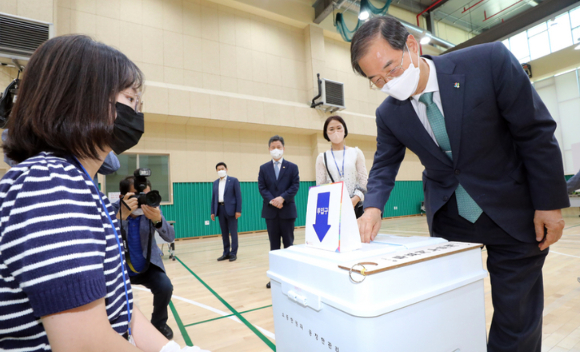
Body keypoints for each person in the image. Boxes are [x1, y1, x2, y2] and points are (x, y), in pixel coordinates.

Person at [350, 16, 568, 352]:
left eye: (391, 69)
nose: (388, 83)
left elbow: (534, 131)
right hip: (451, 219)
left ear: (411, 45)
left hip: (513, 212)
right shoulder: (389, 114)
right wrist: (374, 205)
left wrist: (549, 203)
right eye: (376, 80)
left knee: (517, 318)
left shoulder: (488, 62)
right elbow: (384, 163)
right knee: (450, 315)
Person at [0, 35, 208, 352]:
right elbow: (84, 343)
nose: (137, 112)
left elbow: (120, 306)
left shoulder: (78, 182)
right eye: (130, 100)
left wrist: (170, 350)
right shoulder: (51, 183)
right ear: (86, 100)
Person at [112, 176, 176, 340]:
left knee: (165, 286)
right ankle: (120, 328)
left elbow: (170, 237)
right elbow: (102, 240)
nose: (143, 201)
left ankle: (159, 323)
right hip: (121, 270)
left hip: (147, 266)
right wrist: (121, 216)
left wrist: (158, 220)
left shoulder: (151, 210)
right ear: (122, 197)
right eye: (137, 196)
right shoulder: (113, 210)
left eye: (146, 195)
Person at [258, 135, 300, 289]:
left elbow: (295, 186)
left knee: (289, 245)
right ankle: (275, 277)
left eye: (278, 147)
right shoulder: (263, 168)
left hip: (287, 211)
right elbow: (262, 187)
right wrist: (273, 201)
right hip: (270, 212)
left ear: (283, 148)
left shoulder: (292, 167)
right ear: (269, 149)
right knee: (274, 247)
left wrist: (282, 198)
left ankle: (291, 276)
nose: (276, 150)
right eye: (273, 147)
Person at [315, 115, 368, 218]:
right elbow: (320, 186)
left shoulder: (356, 152)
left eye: (339, 128)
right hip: (334, 208)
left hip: (356, 206)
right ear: (326, 133)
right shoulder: (322, 157)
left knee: (357, 233)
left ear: (344, 129)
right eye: (331, 129)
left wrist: (355, 199)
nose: (336, 132)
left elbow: (363, 179)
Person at [211, 162, 242, 262]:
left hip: (232, 210)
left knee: (233, 233)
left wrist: (238, 210)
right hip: (220, 210)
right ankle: (226, 253)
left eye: (222, 168)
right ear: (216, 171)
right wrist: (213, 212)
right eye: (218, 169)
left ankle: (233, 253)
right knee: (224, 233)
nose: (221, 170)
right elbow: (213, 198)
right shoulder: (215, 183)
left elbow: (238, 196)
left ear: (226, 169)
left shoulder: (233, 180)